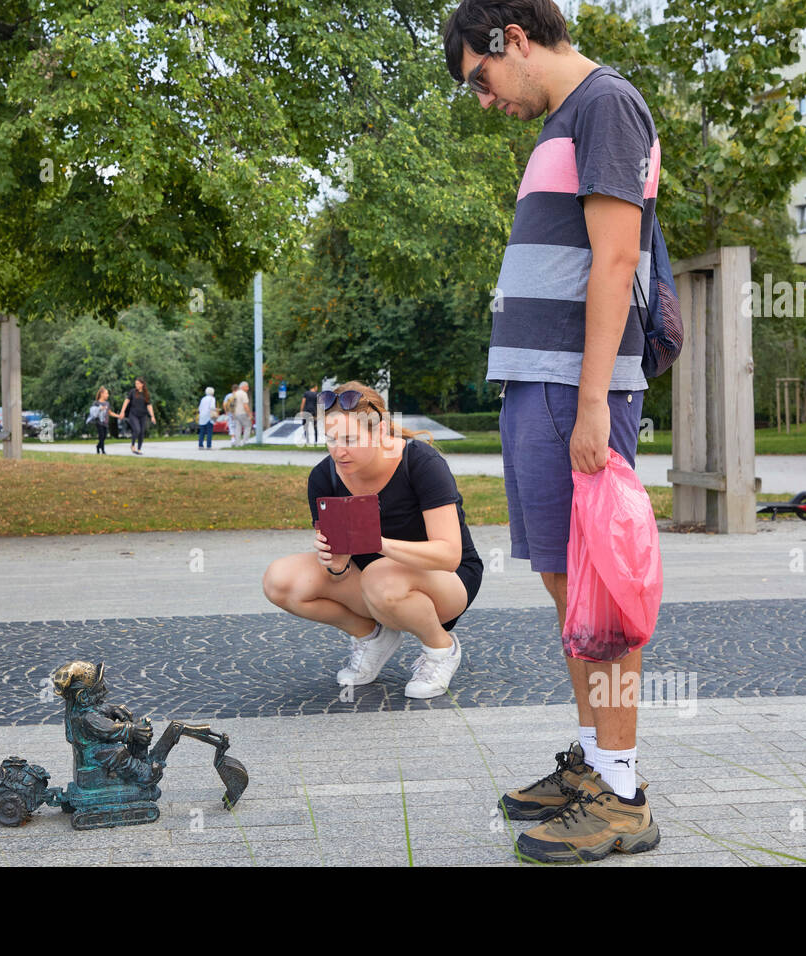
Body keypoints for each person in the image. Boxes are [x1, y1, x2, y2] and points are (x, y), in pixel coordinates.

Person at [444, 0, 662, 863]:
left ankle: (623, 794)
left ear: (516, 40)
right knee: (571, 594)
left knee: (602, 600)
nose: (487, 98)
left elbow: (617, 258)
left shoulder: (607, 104)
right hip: (540, 386)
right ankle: (595, 766)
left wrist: (596, 399)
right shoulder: (567, 121)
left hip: (576, 391)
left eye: (482, 78)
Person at [262, 382, 483, 699]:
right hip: (371, 582)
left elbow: (449, 555)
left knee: (381, 576)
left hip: (448, 580)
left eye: (350, 439)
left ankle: (440, 648)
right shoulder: (324, 477)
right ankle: (371, 637)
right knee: (278, 580)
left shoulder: (420, 462)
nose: (339, 450)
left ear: (380, 434)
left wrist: (378, 543)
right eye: (331, 439)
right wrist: (336, 565)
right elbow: (340, 565)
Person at [114, 377, 156, 455]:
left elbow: (149, 405)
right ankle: (133, 445)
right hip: (133, 415)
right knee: (137, 429)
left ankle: (139, 449)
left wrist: (152, 416)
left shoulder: (146, 394)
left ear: (142, 384)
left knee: (142, 432)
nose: (136, 385)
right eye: (135, 383)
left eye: (138, 383)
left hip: (143, 415)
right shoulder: (132, 392)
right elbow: (126, 401)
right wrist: (122, 411)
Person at [90, 387, 111, 454]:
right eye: (106, 393)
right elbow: (93, 412)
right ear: (102, 394)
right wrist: (99, 409)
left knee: (104, 436)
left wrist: (118, 415)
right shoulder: (96, 403)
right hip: (98, 422)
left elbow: (109, 412)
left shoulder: (107, 403)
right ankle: (102, 450)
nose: (108, 395)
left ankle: (98, 446)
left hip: (105, 422)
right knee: (101, 436)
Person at [232, 381, 253, 446]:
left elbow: (232, 405)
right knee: (248, 426)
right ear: (242, 387)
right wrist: (250, 414)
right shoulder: (243, 394)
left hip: (236, 413)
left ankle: (237, 443)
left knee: (238, 428)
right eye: (247, 387)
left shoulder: (235, 394)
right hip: (242, 413)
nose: (248, 388)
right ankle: (245, 442)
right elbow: (245, 406)